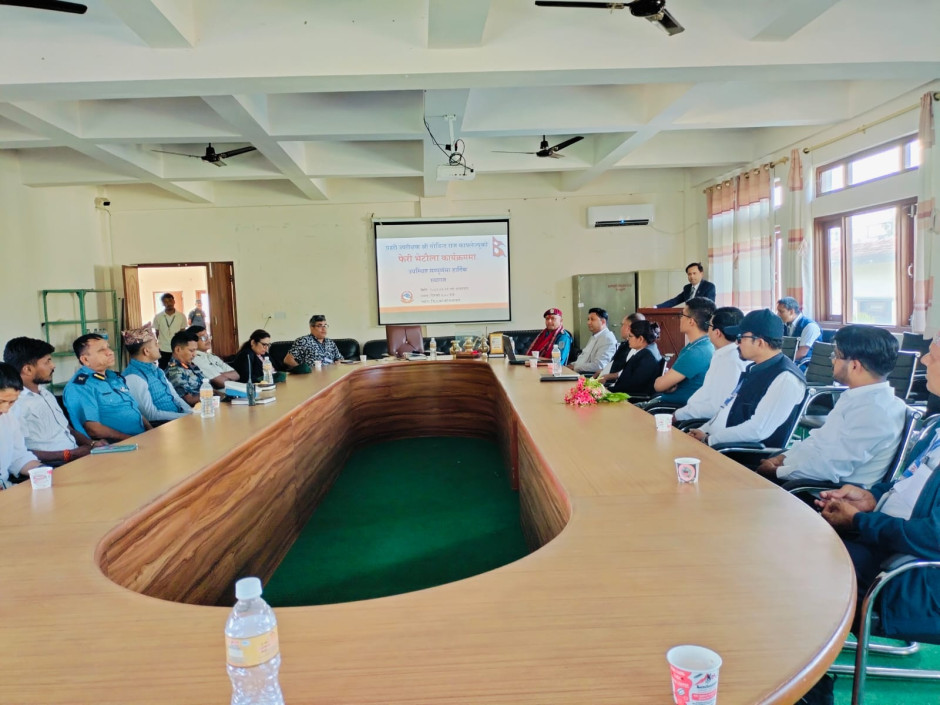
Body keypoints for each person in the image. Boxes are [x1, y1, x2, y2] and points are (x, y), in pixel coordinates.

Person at [806, 337, 940, 703]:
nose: (924, 360)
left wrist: (859, 523)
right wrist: (870, 498)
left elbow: (933, 536)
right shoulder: (937, 426)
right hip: (887, 548)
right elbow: (906, 484)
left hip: (913, 578)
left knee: (797, 574)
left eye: (933, 354)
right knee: (795, 548)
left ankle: (810, 689)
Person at [756, 325, 906, 488]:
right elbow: (818, 441)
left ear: (854, 366)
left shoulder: (875, 412)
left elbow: (829, 468)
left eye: (836, 355)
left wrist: (777, 471)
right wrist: (783, 458)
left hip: (820, 492)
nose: (832, 360)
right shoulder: (857, 397)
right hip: (806, 479)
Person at [688, 309, 805, 450]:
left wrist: (709, 439)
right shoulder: (754, 368)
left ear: (760, 342)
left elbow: (757, 430)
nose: (737, 343)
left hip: (739, 454)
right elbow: (726, 407)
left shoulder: (785, 379)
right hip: (717, 444)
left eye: (741, 338)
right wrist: (703, 430)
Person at [3, 336, 102, 465]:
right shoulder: (14, 404)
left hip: (75, 457)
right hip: (51, 466)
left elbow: (67, 429)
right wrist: (68, 454)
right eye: (47, 361)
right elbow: (19, 452)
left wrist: (92, 443)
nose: (53, 366)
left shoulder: (45, 393)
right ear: (28, 369)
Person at [63, 333, 150, 441]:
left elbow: (133, 409)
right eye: (101, 350)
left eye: (108, 347)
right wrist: (132, 439)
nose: (110, 352)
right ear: (85, 360)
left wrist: (151, 432)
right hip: (117, 445)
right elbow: (93, 429)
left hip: (141, 438)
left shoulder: (114, 377)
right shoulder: (80, 387)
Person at [673, 307, 748, 422]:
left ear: (717, 333)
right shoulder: (723, 354)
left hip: (702, 421)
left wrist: (678, 415)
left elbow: (715, 407)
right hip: (693, 414)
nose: (707, 330)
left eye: (709, 325)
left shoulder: (730, 361)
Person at [653, 297, 716, 406]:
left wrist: (666, 382)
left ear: (691, 321)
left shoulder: (697, 352)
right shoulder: (702, 345)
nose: (680, 318)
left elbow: (658, 386)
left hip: (674, 407)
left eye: (682, 315)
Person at [122, 327, 193, 422]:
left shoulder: (156, 369)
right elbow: (150, 415)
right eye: (156, 344)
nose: (159, 346)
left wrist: (191, 412)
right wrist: (184, 417)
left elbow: (175, 397)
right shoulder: (133, 377)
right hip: (163, 425)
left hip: (179, 419)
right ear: (146, 351)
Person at [0, 362, 41, 489]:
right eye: (1, 401)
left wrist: (42, 470)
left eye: (11, 402)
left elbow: (18, 456)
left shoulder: (8, 417)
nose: (5, 409)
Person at [607, 320, 663, 396]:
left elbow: (631, 387)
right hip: (622, 392)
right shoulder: (649, 350)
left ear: (640, 339)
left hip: (630, 398)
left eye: (630, 336)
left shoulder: (647, 357)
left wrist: (607, 390)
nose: (628, 339)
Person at [596, 312, 645, 381]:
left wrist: (607, 376)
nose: (621, 328)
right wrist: (603, 372)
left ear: (629, 328)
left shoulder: (635, 348)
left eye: (622, 325)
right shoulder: (625, 345)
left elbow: (625, 372)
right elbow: (613, 365)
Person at [164, 330, 206, 407]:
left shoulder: (190, 365)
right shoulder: (174, 371)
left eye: (195, 350)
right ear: (178, 350)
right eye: (191, 350)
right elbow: (189, 400)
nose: (194, 354)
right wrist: (211, 394)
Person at [570, 307, 618, 374]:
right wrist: (572, 364)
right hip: (579, 371)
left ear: (603, 322)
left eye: (592, 319)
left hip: (590, 375)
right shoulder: (595, 336)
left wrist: (576, 367)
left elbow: (599, 366)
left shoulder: (607, 339)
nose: (588, 322)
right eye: (588, 319)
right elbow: (584, 357)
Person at [776, 296, 821, 367]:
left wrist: (778, 361)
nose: (778, 314)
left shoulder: (810, 326)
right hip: (789, 362)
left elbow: (802, 353)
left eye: (781, 311)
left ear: (791, 312)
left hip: (805, 365)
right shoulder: (784, 325)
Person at [152, 293, 186, 369]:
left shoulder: (181, 316)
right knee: (163, 368)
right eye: (165, 302)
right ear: (162, 304)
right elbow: (157, 333)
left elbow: (183, 332)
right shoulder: (158, 317)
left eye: (170, 301)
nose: (168, 303)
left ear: (174, 301)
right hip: (163, 348)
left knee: (179, 368)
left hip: (177, 348)